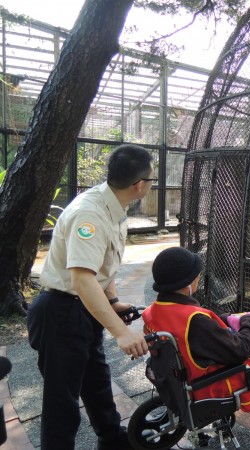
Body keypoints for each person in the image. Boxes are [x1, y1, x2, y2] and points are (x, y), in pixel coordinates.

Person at [27, 144, 153, 450]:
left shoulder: (113, 204)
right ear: (139, 185)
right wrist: (120, 331)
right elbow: (82, 279)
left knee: (96, 382)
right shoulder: (90, 214)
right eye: (151, 179)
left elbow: (100, 269)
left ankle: (112, 440)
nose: (151, 184)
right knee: (62, 399)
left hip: (81, 309)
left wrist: (111, 302)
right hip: (61, 311)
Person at [142, 246, 250, 432]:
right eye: (197, 275)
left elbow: (202, 328)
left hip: (181, 382)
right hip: (215, 385)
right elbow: (241, 350)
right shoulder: (196, 323)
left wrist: (224, 319)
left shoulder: (155, 311)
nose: (198, 278)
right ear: (187, 283)